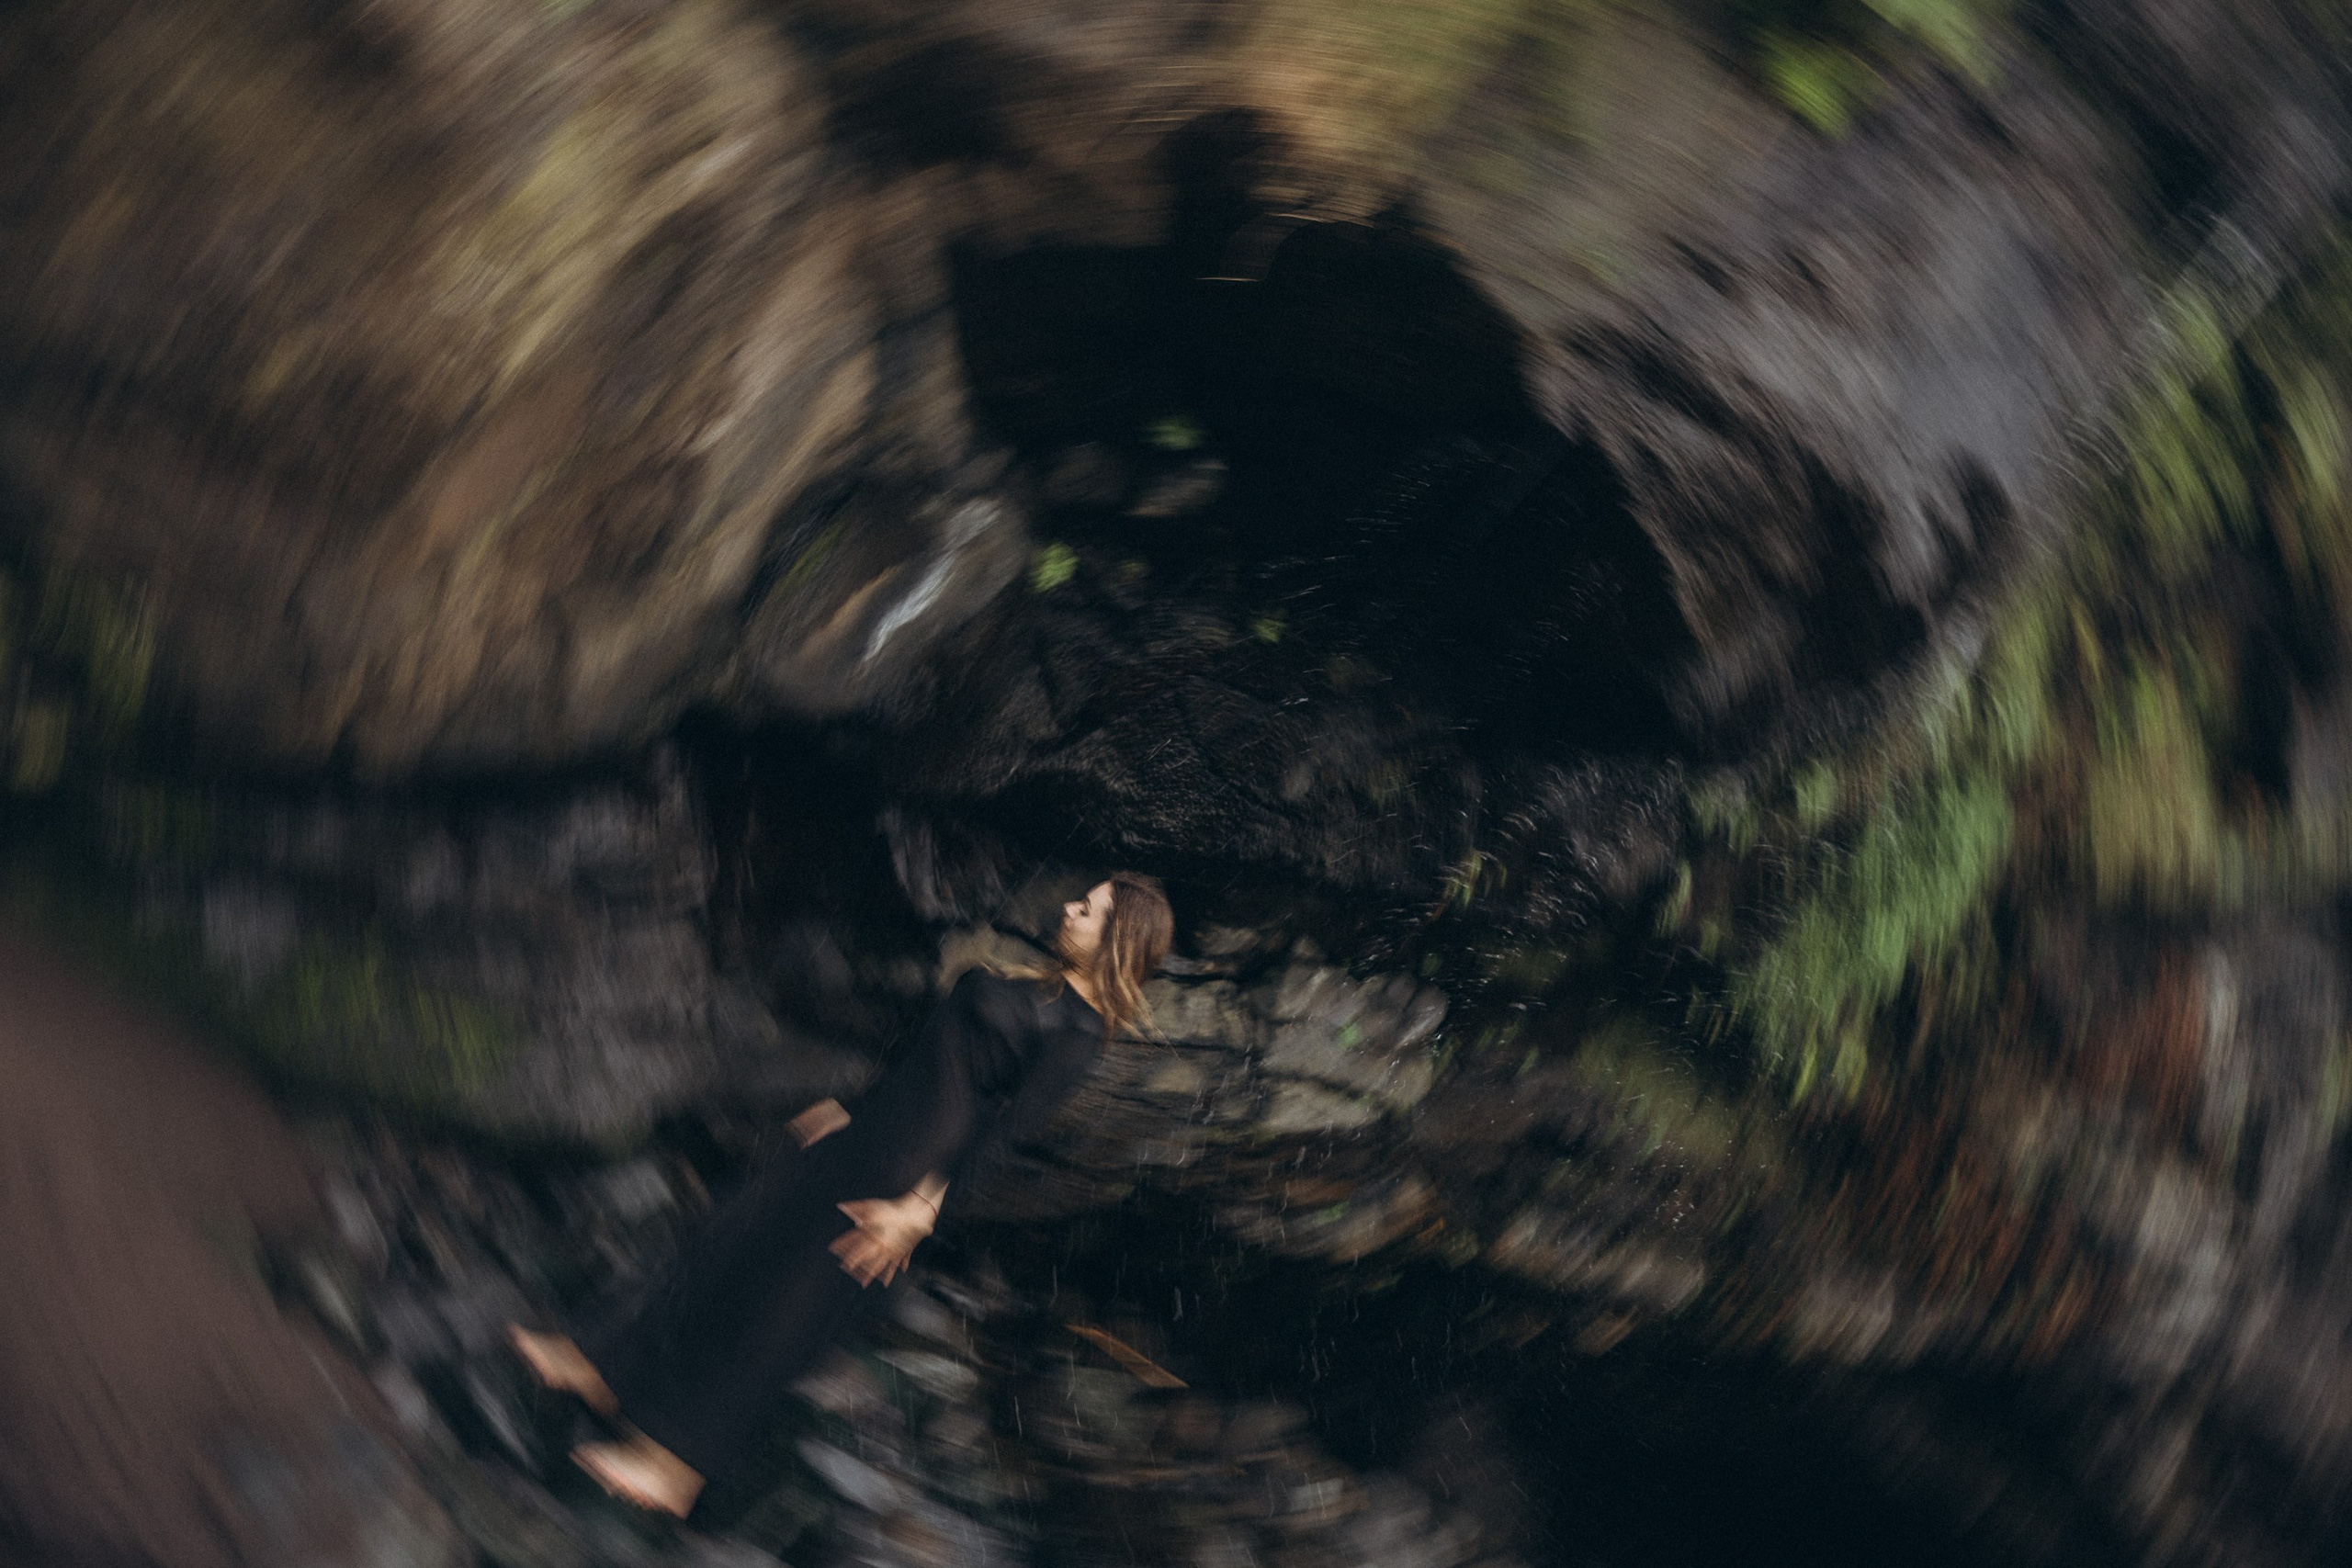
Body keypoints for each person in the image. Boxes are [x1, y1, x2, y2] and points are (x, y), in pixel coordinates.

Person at [508, 872, 1173, 1517]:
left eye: (1088, 910)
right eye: (1080, 900)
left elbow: (1004, 1135)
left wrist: (920, 1213)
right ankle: (600, 1361)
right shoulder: (1044, 989)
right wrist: (852, 1111)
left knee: (784, 1311)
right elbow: (930, 1059)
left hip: (901, 1182)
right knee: (735, 1235)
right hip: (870, 1136)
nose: (1068, 908)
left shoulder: (1080, 1035)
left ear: (1120, 941)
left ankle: (676, 1466)